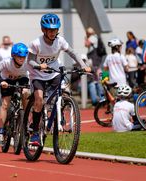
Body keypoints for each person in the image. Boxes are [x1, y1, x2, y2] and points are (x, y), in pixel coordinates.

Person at [27, 13, 90, 146]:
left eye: (54, 30)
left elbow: (73, 53)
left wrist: (83, 65)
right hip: (38, 74)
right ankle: (35, 133)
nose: (52, 33)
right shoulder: (36, 43)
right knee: (38, 98)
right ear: (43, 30)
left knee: (64, 92)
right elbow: (30, 61)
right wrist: (39, 65)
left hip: (54, 72)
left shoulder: (60, 41)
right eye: (49, 30)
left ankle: (58, 114)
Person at [0, 43, 29, 146]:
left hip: (22, 79)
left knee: (26, 93)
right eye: (19, 57)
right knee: (5, 104)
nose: (22, 59)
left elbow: (33, 72)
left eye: (23, 57)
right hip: (7, 80)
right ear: (14, 56)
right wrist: (1, 81)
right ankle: (0, 131)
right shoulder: (7, 62)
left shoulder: (27, 63)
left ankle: (25, 118)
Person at [0, 35, 13, 111]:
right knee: (1, 88)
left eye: (8, 42)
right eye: (5, 43)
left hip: (11, 71)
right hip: (2, 71)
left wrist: (12, 44)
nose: (6, 44)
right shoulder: (0, 50)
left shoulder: (11, 48)